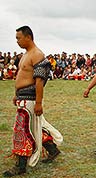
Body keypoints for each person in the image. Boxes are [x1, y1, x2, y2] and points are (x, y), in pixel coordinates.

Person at [3, 26, 63, 177]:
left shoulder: (37, 54)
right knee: (34, 127)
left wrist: (38, 102)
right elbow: (22, 76)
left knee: (22, 131)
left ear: (28, 37)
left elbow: (39, 81)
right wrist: (17, 94)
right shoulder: (26, 54)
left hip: (30, 99)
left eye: (19, 38)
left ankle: (21, 165)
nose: (17, 41)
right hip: (23, 97)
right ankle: (52, 149)